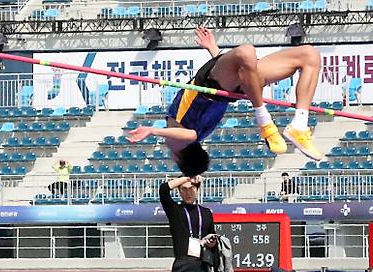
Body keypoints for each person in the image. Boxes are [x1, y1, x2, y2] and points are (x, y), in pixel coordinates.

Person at [127, 27, 323, 177]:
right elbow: (189, 134)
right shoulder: (180, 142)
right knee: (246, 52)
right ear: (179, 159)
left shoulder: (183, 139)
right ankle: (264, 121)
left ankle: (300, 124)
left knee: (309, 55)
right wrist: (152, 130)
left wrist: (213, 50)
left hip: (235, 82)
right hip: (215, 84)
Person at [159, 176, 217, 272]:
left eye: (191, 188)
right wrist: (186, 176)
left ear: (197, 189)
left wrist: (212, 243)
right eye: (183, 189)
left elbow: (213, 236)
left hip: (202, 265)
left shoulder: (206, 213)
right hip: (183, 265)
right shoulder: (175, 211)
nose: (188, 192)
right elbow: (163, 190)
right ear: (179, 191)